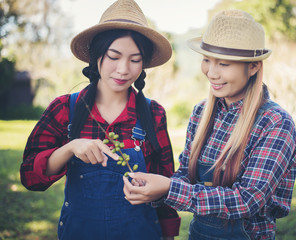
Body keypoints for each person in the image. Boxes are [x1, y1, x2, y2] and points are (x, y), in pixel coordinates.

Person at [123, 9, 296, 240]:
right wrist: (158, 188)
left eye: (224, 64)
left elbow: (248, 200)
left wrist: (169, 188)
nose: (211, 73)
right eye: (207, 60)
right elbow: (186, 173)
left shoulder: (275, 123)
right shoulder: (201, 112)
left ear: (254, 66)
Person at [20, 0, 180, 239]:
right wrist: (70, 148)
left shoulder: (153, 113)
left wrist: (166, 227)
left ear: (144, 64)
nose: (123, 69)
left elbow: (165, 183)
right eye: (114, 56)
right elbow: (30, 176)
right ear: (96, 56)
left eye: (135, 60)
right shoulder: (64, 109)